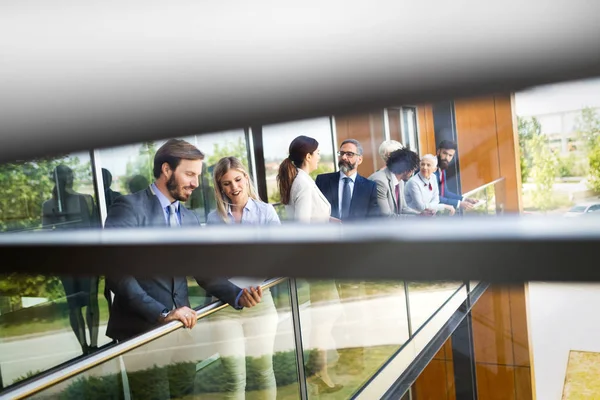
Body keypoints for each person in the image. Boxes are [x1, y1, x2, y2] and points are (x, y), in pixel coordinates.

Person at [104, 139, 263, 341]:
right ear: (166, 170)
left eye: (197, 175)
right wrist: (161, 313)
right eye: (189, 174)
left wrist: (238, 295)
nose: (195, 183)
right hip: (141, 333)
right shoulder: (129, 208)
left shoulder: (189, 219)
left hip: (182, 329)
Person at [207, 156, 279, 399]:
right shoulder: (213, 219)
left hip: (260, 302)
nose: (234, 188)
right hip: (225, 307)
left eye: (237, 180)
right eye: (226, 183)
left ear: (246, 178)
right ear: (219, 187)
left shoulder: (265, 212)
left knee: (263, 372)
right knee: (234, 379)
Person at [277, 135, 343, 394]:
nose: (319, 157)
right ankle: (317, 371)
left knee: (329, 315)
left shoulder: (302, 181)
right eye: (316, 153)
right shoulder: (303, 184)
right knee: (324, 319)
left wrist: (329, 221)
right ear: (307, 156)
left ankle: (317, 368)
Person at [42, 164, 101, 355]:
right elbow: (47, 235)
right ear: (56, 180)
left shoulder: (85, 200)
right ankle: (84, 346)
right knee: (74, 305)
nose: (68, 179)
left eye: (70, 175)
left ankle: (93, 344)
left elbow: (94, 230)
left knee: (91, 300)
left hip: (88, 258)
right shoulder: (48, 205)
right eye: (63, 176)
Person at [315, 139, 380, 221]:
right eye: (341, 153)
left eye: (349, 154)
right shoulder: (322, 181)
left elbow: (373, 219)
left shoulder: (370, 187)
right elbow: (314, 210)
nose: (343, 157)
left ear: (359, 159)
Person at [369, 146, 435, 217]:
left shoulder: (400, 181)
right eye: (413, 171)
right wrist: (419, 217)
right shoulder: (380, 182)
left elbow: (403, 209)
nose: (412, 174)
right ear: (406, 170)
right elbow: (387, 217)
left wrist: (420, 214)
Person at [434, 140, 478, 210]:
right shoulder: (429, 167)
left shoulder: (442, 166)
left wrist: (464, 199)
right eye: (445, 153)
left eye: (450, 155)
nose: (447, 158)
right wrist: (458, 203)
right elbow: (433, 197)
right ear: (438, 152)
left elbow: (445, 192)